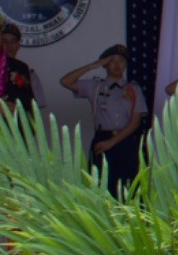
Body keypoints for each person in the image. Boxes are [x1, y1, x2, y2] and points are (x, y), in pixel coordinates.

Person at [61, 45, 148, 194]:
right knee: (101, 186)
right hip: (103, 139)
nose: (117, 65)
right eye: (112, 61)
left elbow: (135, 122)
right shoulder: (95, 86)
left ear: (126, 64)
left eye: (121, 60)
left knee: (129, 188)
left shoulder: (133, 89)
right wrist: (93, 65)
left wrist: (111, 143)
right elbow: (65, 81)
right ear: (105, 64)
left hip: (127, 141)